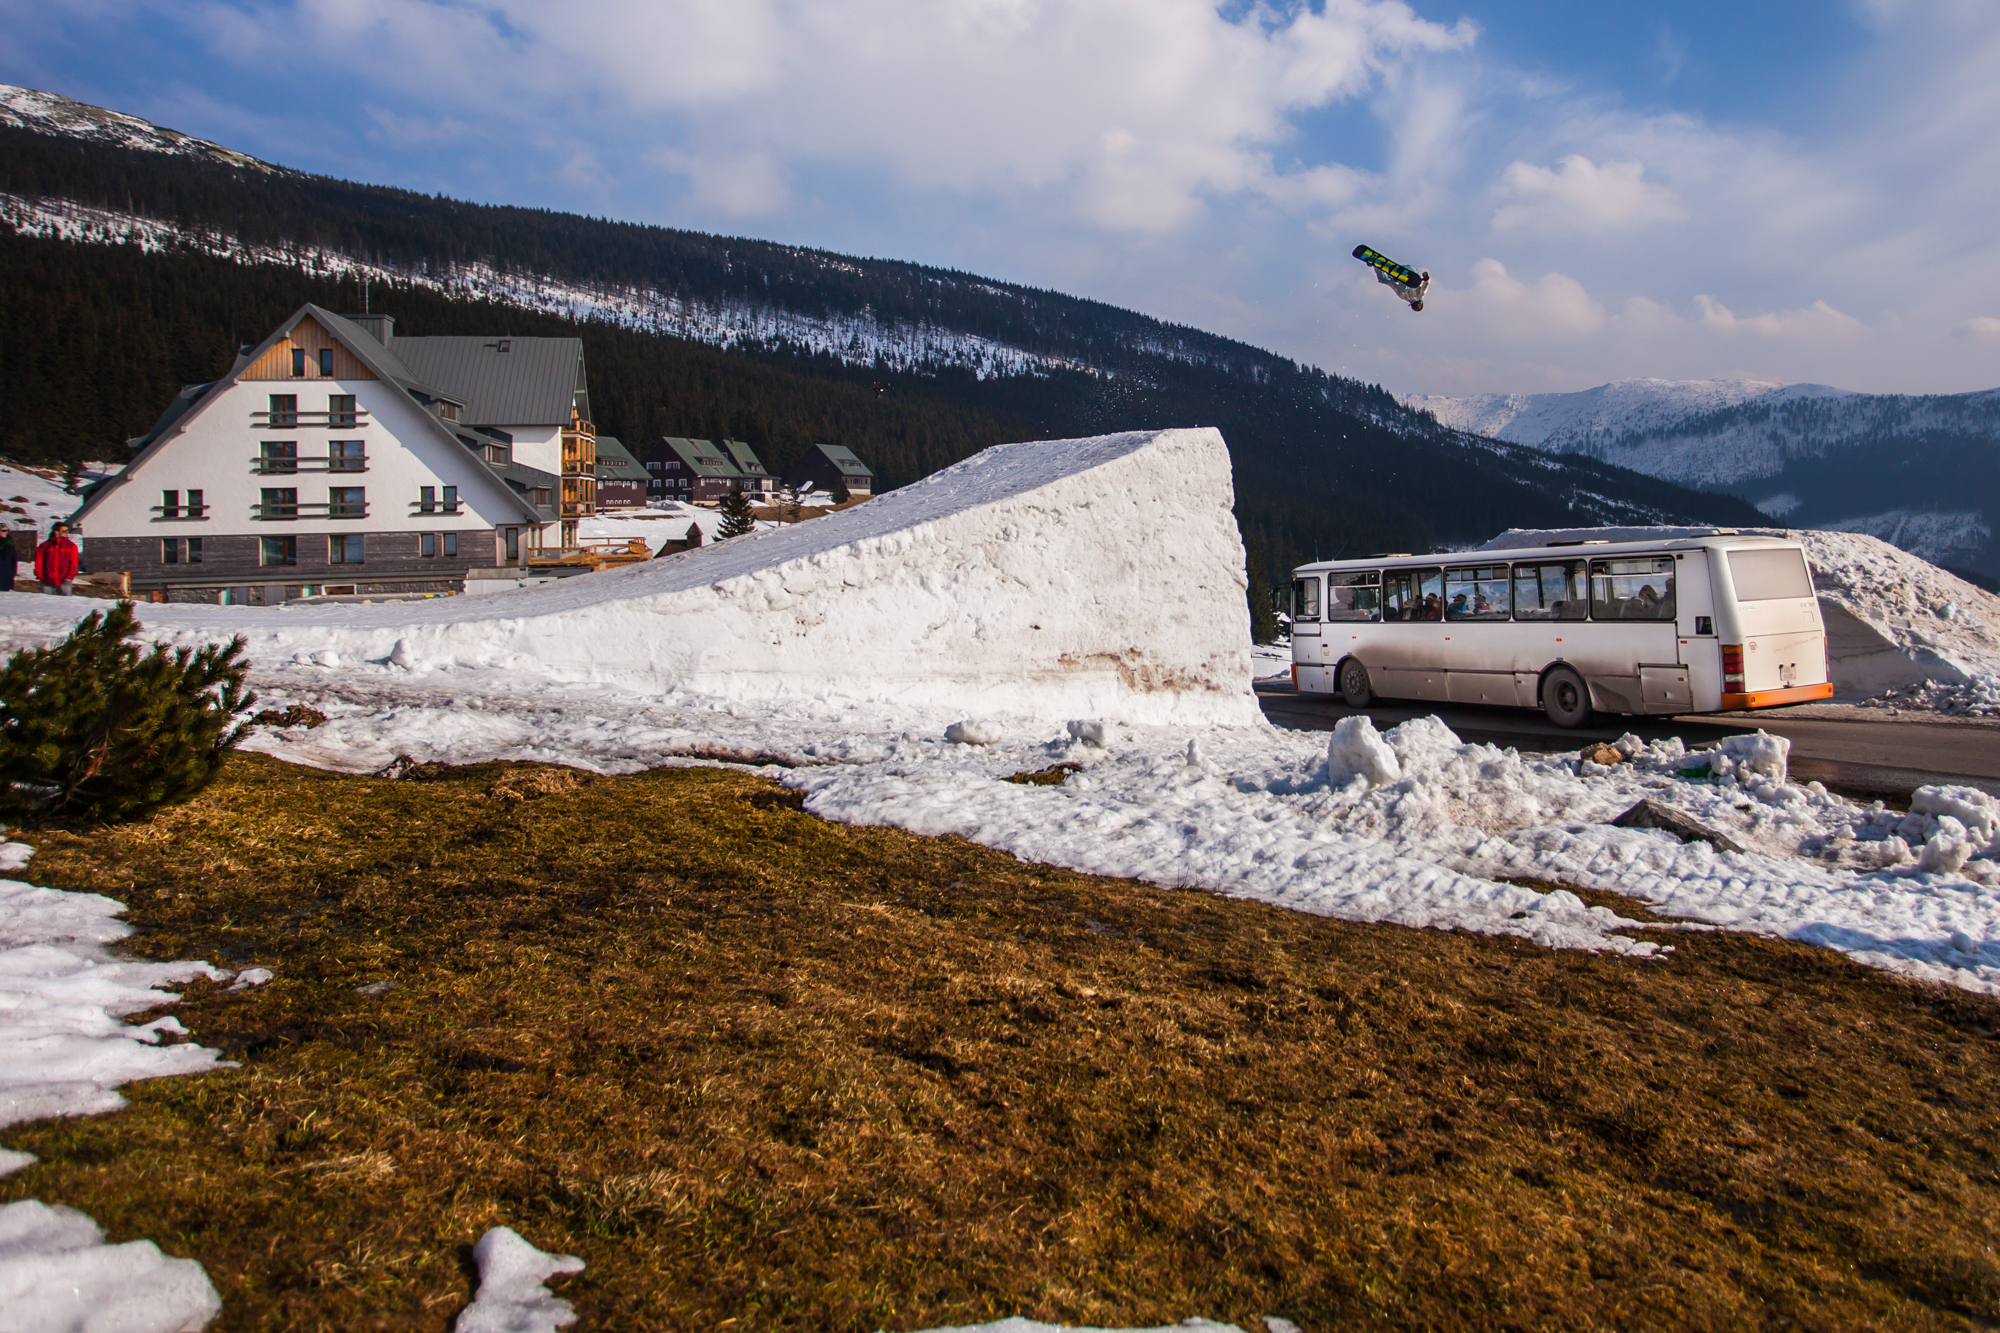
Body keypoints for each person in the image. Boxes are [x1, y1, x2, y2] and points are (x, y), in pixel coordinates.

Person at [35, 522, 80, 595]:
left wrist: (69, 576)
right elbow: (38, 562)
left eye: (67, 531)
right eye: (64, 531)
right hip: (47, 580)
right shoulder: (44, 546)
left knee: (64, 603)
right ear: (56, 532)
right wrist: (40, 576)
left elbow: (74, 563)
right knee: (46, 602)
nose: (66, 533)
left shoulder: (71, 546)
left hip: (64, 580)